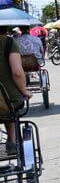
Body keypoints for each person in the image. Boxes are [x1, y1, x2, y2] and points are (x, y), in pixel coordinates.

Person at [0, 27, 32, 155]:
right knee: (11, 108)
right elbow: (18, 72)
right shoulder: (8, 42)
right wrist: (24, 90)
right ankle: (11, 141)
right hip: (6, 101)